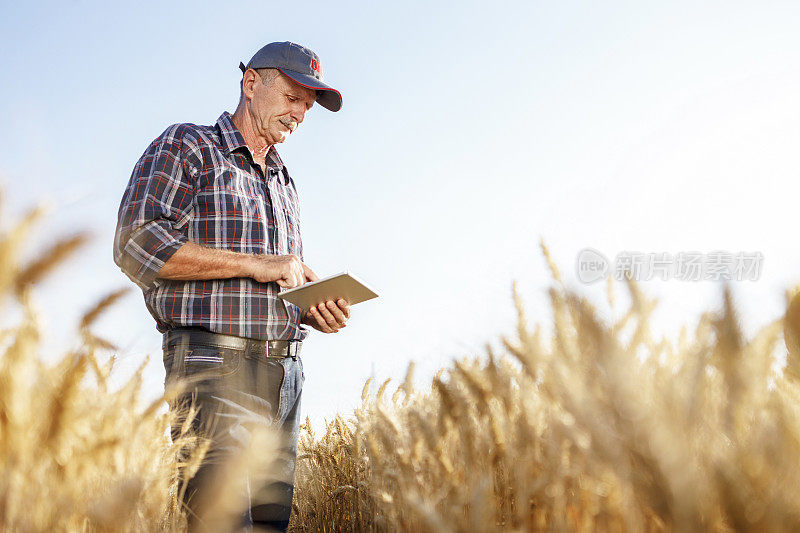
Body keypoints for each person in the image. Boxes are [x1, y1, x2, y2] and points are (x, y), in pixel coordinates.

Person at [113, 41, 349, 532]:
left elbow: (268, 276)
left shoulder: (284, 180)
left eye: (308, 105)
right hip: (214, 364)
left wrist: (309, 305)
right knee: (221, 522)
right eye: (292, 97)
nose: (300, 114)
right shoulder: (189, 145)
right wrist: (257, 264)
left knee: (268, 526)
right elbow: (136, 244)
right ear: (251, 83)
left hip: (284, 375)